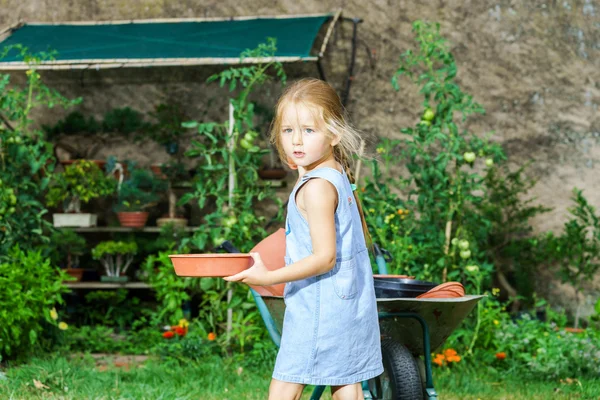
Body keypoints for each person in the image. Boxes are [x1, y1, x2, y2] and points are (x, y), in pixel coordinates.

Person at [224, 78, 383, 400]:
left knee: (286, 383)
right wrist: (301, 168)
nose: (296, 141)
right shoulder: (334, 174)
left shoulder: (316, 188)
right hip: (346, 305)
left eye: (309, 131)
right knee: (345, 382)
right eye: (288, 131)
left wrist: (267, 276)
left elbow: (324, 257)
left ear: (334, 134)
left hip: (318, 308)